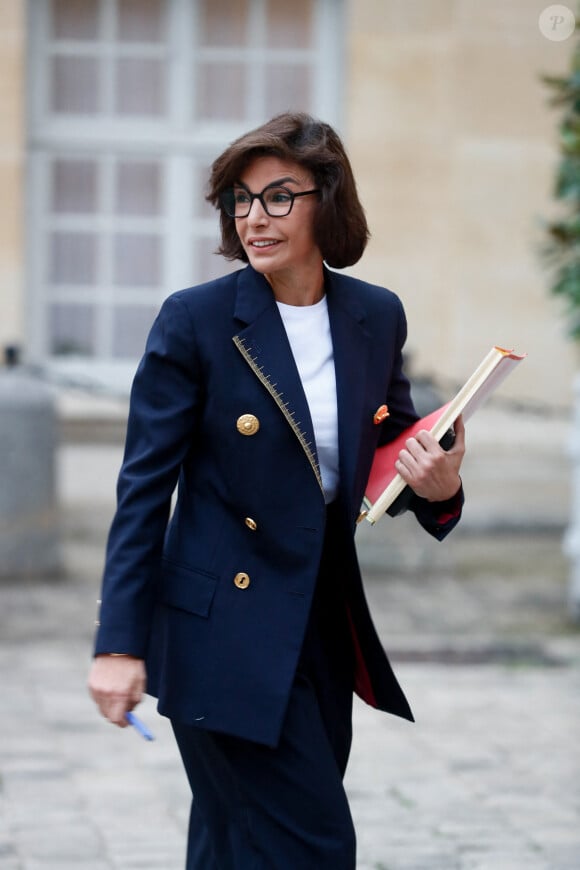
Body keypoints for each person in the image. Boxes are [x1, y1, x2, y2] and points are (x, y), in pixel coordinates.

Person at [88, 111, 465, 869]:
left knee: (235, 845)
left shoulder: (373, 315)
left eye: (278, 197)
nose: (253, 217)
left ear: (327, 200)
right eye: (241, 199)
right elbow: (142, 492)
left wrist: (442, 482)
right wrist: (119, 643)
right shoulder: (196, 321)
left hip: (322, 621)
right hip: (222, 631)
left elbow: (400, 448)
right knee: (313, 846)